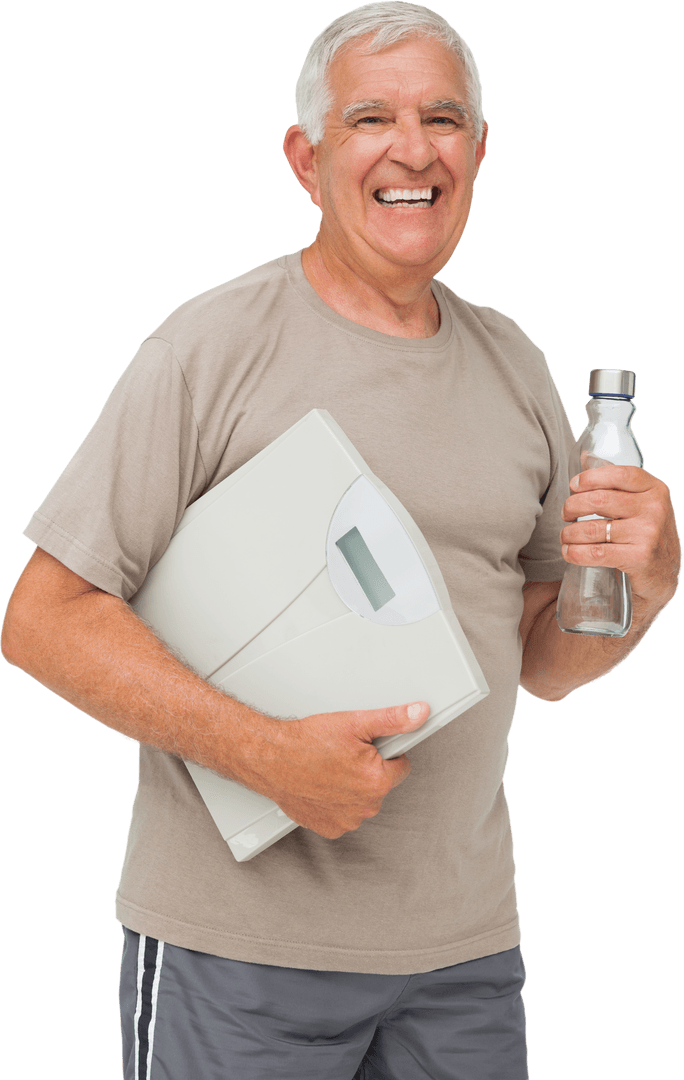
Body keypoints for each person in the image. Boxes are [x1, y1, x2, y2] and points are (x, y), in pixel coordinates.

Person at [1, 3, 680, 1078]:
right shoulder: (210, 348)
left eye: (444, 119)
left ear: (480, 150)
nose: (414, 149)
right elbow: (42, 619)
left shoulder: (516, 365)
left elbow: (548, 659)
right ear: (307, 156)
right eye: (373, 118)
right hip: (238, 959)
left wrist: (644, 585)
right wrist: (267, 760)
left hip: (465, 956)